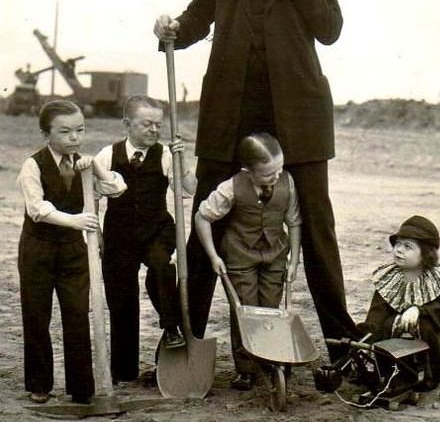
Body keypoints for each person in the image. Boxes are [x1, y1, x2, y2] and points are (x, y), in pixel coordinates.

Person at [154, 0, 358, 359]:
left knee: (316, 225)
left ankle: (341, 343)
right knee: (204, 213)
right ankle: (186, 337)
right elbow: (201, 14)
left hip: (299, 110)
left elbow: (330, 27)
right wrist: (173, 27)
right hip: (230, 105)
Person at [17, 99, 126, 405]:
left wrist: (97, 167)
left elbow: (118, 188)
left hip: (73, 252)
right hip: (38, 249)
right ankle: (39, 384)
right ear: (45, 134)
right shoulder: (33, 165)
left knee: (77, 314)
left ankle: (82, 387)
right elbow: (37, 209)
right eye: (65, 132)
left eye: (79, 130)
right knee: (37, 314)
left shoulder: (85, 165)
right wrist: (75, 221)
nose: (74, 138)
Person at [94, 95, 196, 385]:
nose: (154, 130)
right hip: (119, 235)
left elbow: (188, 191)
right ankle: (124, 370)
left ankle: (171, 325)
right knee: (121, 299)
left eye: (158, 125)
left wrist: (182, 160)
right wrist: (98, 235)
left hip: (156, 230)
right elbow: (92, 198)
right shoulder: (107, 155)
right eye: (147, 124)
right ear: (127, 124)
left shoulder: (165, 154)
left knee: (162, 267)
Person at [195, 133, 301, 390]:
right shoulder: (231, 186)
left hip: (275, 256)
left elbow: (294, 221)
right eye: (267, 174)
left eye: (279, 169)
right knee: (244, 310)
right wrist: (213, 256)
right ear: (248, 170)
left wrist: (295, 259)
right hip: (240, 256)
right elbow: (202, 217)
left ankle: (272, 360)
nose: (275, 177)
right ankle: (245, 367)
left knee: (271, 309)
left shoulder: (287, 182)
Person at [358, 215, 440, 391]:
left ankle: (431, 374)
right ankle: (390, 373)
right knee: (385, 325)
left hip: (431, 327)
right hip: (396, 327)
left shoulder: (433, 280)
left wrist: (419, 310)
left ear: (426, 253)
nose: (399, 250)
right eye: (397, 244)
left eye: (407, 246)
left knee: (425, 326)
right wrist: (366, 334)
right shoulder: (388, 278)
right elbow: (377, 312)